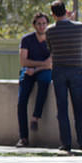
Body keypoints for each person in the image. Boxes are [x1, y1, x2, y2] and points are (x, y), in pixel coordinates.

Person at [46, 0, 82, 153]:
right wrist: (71, 20)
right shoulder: (80, 27)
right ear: (66, 11)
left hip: (59, 71)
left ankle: (66, 143)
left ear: (52, 14)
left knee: (62, 108)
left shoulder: (50, 31)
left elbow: (49, 48)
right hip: (76, 70)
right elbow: (81, 41)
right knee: (79, 108)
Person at [16, 12, 53, 147]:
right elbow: (23, 61)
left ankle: (35, 117)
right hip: (28, 72)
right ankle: (23, 137)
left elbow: (51, 63)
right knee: (21, 101)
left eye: (44, 23)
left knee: (45, 81)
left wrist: (36, 68)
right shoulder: (27, 39)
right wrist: (41, 64)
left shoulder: (52, 39)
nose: (42, 26)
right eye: (39, 24)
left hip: (41, 72)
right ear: (34, 25)